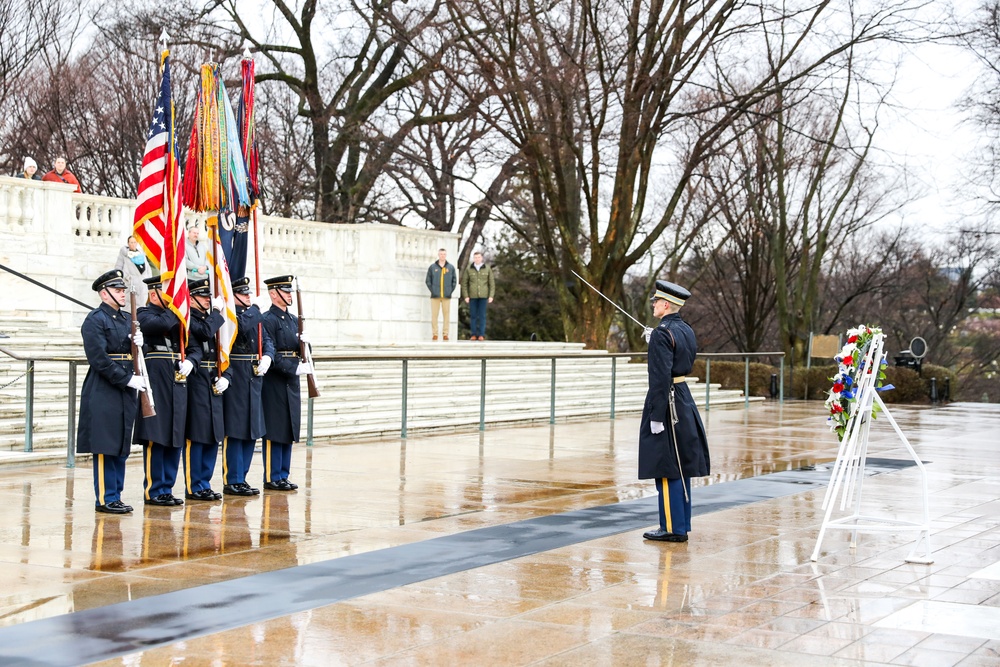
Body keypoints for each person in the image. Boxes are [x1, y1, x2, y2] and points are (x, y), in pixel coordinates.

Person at [638, 280, 710, 543]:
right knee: (681, 465)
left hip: (667, 402)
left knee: (667, 466)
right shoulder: (684, 329)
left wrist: (656, 417)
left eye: (657, 301)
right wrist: (656, 340)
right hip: (682, 397)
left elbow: (659, 378)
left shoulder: (662, 333)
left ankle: (671, 527)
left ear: (666, 304)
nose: (654, 304)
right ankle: (680, 523)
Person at [77, 269, 144, 514]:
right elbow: (98, 359)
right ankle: (106, 497)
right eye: (117, 291)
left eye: (123, 290)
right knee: (106, 444)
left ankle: (116, 494)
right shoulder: (95, 320)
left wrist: (138, 344)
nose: (123, 294)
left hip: (125, 387)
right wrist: (126, 379)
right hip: (105, 387)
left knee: (121, 441)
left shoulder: (127, 318)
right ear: (104, 294)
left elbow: (129, 353)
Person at [134, 275, 201, 506]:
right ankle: (154, 489)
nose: (173, 298)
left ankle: (168, 487)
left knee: (175, 434)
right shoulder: (143, 313)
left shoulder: (178, 319)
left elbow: (194, 347)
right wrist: (179, 305)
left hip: (178, 380)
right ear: (154, 294)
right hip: (157, 380)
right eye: (168, 293)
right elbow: (160, 325)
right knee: (157, 435)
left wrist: (191, 361)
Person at [222, 277, 275, 496]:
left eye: (248, 294)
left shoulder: (254, 314)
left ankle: (241, 477)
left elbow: (268, 341)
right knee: (236, 429)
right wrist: (254, 309)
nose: (248, 297)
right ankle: (232, 478)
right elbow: (241, 327)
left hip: (254, 375)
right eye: (243, 294)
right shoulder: (231, 314)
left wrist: (268, 357)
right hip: (237, 374)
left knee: (251, 429)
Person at [260, 275, 312, 490]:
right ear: (274, 294)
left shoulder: (293, 320)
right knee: (275, 428)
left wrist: (308, 345)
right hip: (276, 378)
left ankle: (283, 474)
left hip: (291, 379)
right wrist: (293, 367)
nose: (290, 295)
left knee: (289, 426)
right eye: (285, 291)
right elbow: (269, 350)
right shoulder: (267, 319)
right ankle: (273, 476)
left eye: (290, 292)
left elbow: (300, 351)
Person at [185, 278, 228, 501]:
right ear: (191, 299)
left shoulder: (210, 319)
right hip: (197, 377)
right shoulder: (189, 318)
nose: (207, 300)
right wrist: (218, 313)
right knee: (198, 432)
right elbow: (202, 332)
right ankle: (194, 485)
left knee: (213, 434)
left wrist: (226, 376)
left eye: (209, 297)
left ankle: (206, 482)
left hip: (213, 376)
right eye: (203, 296)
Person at [461, 251, 495, 341]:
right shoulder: (469, 269)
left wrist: (491, 296)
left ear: (481, 258)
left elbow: (491, 283)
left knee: (482, 315)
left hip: (484, 296)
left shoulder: (487, 268)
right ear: (473, 258)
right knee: (473, 316)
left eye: (479, 257)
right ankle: (473, 334)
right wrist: (466, 296)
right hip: (472, 296)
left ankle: (481, 335)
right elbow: (464, 283)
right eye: (475, 257)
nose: (477, 259)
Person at [425, 248, 457, 341]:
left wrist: (450, 290)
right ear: (438, 255)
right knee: (434, 315)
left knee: (446, 316)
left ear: (446, 255)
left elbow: (454, 280)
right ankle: (435, 334)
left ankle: (445, 334)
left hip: (446, 296)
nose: (442, 256)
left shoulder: (450, 267)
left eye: (444, 254)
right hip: (435, 296)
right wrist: (433, 290)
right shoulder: (432, 267)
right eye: (441, 254)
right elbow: (428, 280)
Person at [115, 236, 151, 305]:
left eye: (134, 242)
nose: (133, 244)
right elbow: (118, 269)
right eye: (131, 242)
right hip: (130, 285)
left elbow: (148, 269)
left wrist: (148, 281)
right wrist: (126, 277)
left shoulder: (141, 254)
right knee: (130, 308)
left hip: (143, 286)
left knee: (142, 307)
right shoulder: (124, 254)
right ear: (128, 243)